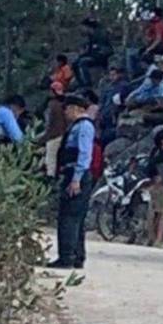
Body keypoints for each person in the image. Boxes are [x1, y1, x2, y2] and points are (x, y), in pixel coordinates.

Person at [47, 94, 95, 269]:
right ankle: (76, 256)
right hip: (74, 173)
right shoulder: (77, 126)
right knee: (76, 217)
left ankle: (67, 256)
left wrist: (76, 179)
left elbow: (84, 154)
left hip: (76, 174)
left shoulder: (83, 127)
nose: (65, 112)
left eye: (67, 109)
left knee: (69, 217)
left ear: (76, 108)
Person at [73, 18, 114, 87]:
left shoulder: (100, 35)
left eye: (83, 27)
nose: (82, 29)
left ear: (88, 27)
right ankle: (81, 84)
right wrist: (82, 55)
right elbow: (90, 50)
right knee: (75, 63)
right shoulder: (90, 37)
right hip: (93, 56)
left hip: (101, 58)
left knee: (83, 62)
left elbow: (104, 50)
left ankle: (88, 85)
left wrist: (89, 55)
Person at [40, 82, 68, 178]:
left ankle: (50, 177)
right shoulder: (65, 102)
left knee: (50, 158)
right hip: (64, 133)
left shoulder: (52, 104)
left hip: (54, 135)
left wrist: (44, 137)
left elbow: (50, 123)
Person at [98, 66, 130, 145]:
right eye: (110, 75)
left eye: (114, 75)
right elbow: (102, 100)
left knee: (108, 135)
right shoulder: (108, 86)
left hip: (114, 114)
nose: (112, 77)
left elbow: (120, 101)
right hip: (105, 113)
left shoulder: (124, 85)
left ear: (119, 75)